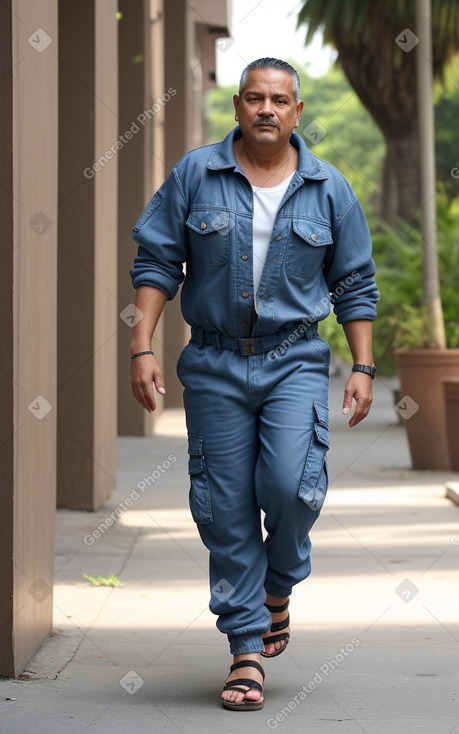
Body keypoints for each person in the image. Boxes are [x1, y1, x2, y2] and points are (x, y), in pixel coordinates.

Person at [129, 57, 379, 711]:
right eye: (254, 98)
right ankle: (245, 648)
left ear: (297, 112)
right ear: (236, 107)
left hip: (294, 359)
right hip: (211, 363)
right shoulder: (194, 175)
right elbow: (157, 259)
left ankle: (278, 585)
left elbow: (353, 282)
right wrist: (140, 346)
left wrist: (361, 366)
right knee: (224, 503)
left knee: (291, 487)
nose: (266, 109)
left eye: (279, 100)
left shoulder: (328, 189)